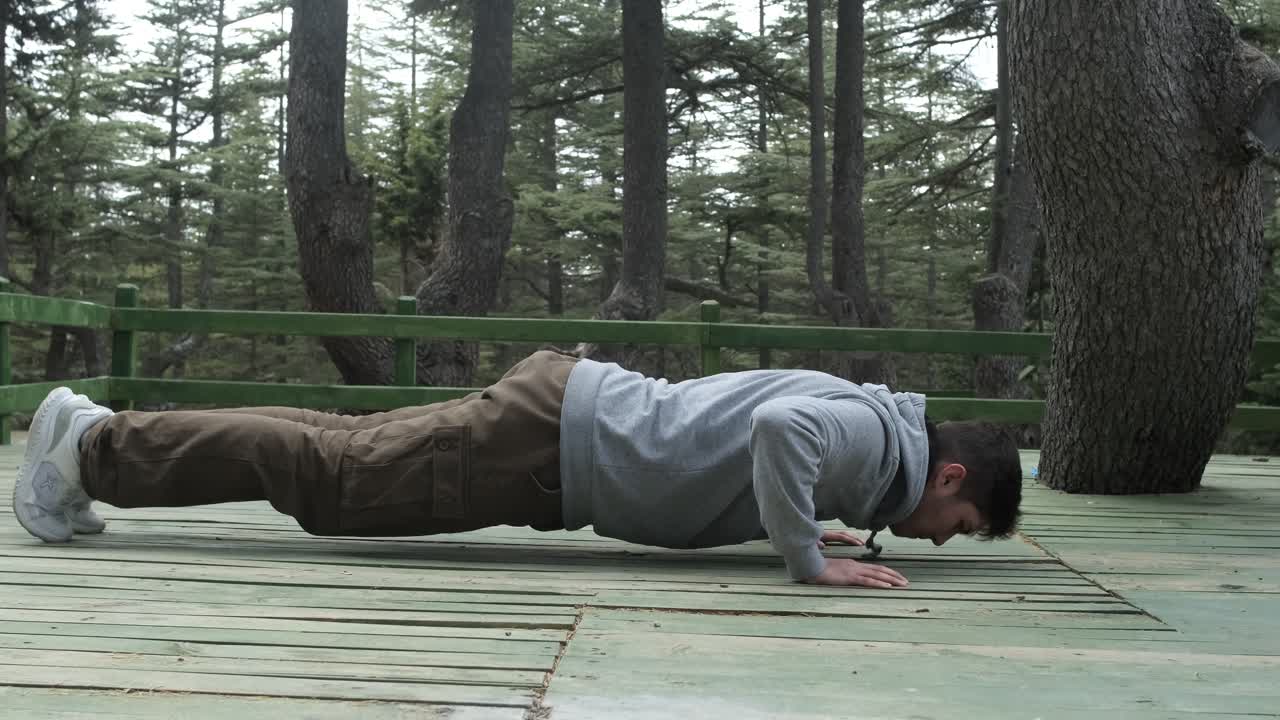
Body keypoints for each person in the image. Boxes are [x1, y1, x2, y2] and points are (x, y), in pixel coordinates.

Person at [11, 350, 1022, 589]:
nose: (942, 543)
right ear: (947, 484)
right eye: (962, 529)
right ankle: (91, 451)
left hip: (565, 422)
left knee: (333, 446)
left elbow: (752, 448)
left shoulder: (872, 435)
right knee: (330, 481)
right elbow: (777, 438)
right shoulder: (862, 441)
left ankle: (103, 435)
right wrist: (806, 556)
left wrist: (798, 525)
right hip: (550, 450)